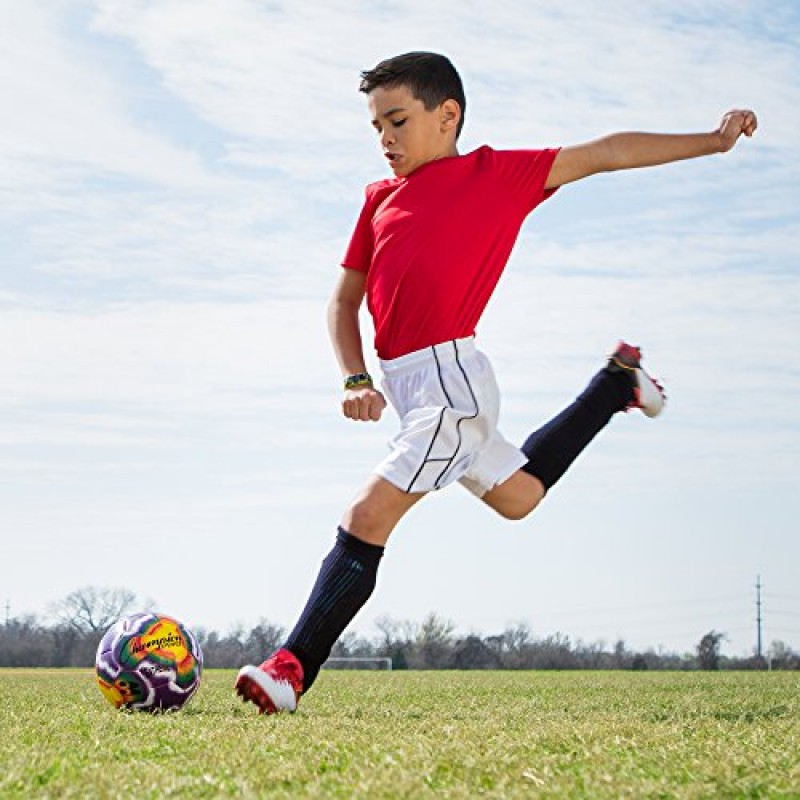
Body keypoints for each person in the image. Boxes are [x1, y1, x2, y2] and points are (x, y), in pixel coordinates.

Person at [235, 52, 757, 714]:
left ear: (446, 114)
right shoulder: (376, 201)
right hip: (407, 391)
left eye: (397, 121)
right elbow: (342, 304)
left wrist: (712, 142)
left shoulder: (496, 175)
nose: (385, 139)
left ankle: (291, 668)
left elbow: (606, 152)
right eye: (375, 127)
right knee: (518, 498)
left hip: (452, 382)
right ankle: (615, 385)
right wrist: (355, 377)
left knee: (367, 514)